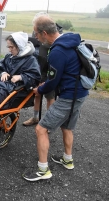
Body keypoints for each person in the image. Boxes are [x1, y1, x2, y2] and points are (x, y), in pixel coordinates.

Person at [22, 14, 88, 181]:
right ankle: (68, 160)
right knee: (67, 127)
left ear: (44, 33)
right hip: (80, 93)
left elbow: (52, 82)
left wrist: (39, 89)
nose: (35, 37)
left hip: (68, 96)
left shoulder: (58, 51)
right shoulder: (71, 41)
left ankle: (43, 171)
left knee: (41, 129)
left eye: (36, 33)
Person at [23, 16, 63, 126]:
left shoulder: (53, 44)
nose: (36, 36)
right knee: (37, 95)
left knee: (50, 97)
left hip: (49, 74)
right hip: (39, 72)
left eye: (37, 33)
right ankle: (35, 118)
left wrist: (45, 79)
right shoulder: (41, 41)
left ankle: (49, 123)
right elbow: (39, 59)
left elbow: (51, 64)